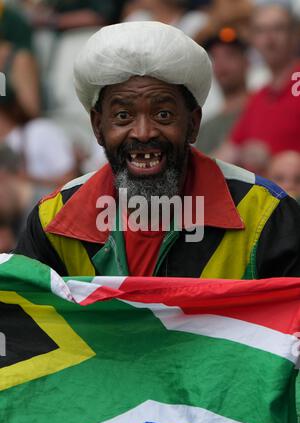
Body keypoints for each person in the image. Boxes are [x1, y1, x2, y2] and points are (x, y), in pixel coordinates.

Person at [14, 21, 300, 279]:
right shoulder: (53, 221)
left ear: (193, 124)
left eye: (163, 115)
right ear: (98, 126)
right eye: (123, 116)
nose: (143, 133)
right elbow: (24, 327)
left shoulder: (265, 214)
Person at [218, 4, 300, 166]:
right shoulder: (258, 97)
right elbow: (229, 152)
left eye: (278, 29)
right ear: (253, 40)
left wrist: (272, 158)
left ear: (295, 35)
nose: (269, 39)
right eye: (261, 31)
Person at [196, 27, 249, 155]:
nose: (221, 64)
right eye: (215, 57)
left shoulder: (261, 110)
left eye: (230, 55)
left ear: (246, 62)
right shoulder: (207, 127)